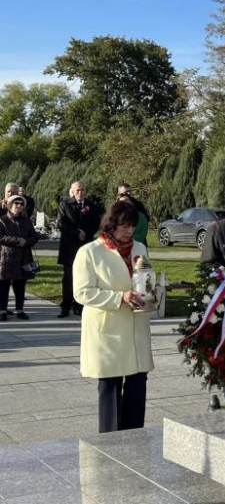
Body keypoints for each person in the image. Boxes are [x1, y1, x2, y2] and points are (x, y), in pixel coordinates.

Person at [74, 201, 153, 433]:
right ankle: (109, 441)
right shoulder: (90, 252)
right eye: (123, 226)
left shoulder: (139, 248)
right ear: (110, 225)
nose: (128, 231)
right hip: (108, 330)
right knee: (110, 385)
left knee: (138, 384)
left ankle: (135, 435)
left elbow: (144, 277)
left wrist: (150, 293)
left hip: (136, 327)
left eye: (132, 226)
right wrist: (119, 297)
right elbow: (82, 292)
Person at [57, 181, 102, 318]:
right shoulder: (65, 204)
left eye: (82, 190)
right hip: (69, 246)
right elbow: (61, 223)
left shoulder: (91, 205)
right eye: (77, 190)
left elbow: (96, 223)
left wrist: (86, 233)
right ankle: (65, 306)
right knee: (69, 278)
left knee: (84, 277)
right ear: (72, 191)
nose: (80, 192)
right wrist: (77, 233)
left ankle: (79, 306)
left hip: (85, 245)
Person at [0, 195, 38, 321]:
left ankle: (20, 310)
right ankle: (2, 311)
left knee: (20, 286)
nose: (19, 206)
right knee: (4, 286)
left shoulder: (26, 221)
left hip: (23, 257)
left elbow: (34, 237)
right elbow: (1, 237)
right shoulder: (2, 220)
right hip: (6, 258)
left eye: (22, 204)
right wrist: (18, 240)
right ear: (10, 204)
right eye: (16, 203)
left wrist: (25, 241)